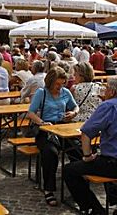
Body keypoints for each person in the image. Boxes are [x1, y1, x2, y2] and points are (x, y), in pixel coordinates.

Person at [63, 76, 117, 215]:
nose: (104, 90)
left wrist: (87, 156)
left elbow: (86, 133)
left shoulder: (108, 105)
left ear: (112, 92)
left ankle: (94, 208)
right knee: (105, 163)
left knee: (70, 170)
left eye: (106, 88)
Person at [26, 67, 79, 206]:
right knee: (51, 153)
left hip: (62, 127)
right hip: (45, 130)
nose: (59, 87)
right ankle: (48, 189)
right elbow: (31, 112)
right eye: (57, 84)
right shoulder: (41, 93)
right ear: (50, 82)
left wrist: (73, 113)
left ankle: (78, 187)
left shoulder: (65, 92)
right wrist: (42, 122)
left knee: (78, 151)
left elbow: (75, 107)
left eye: (62, 84)